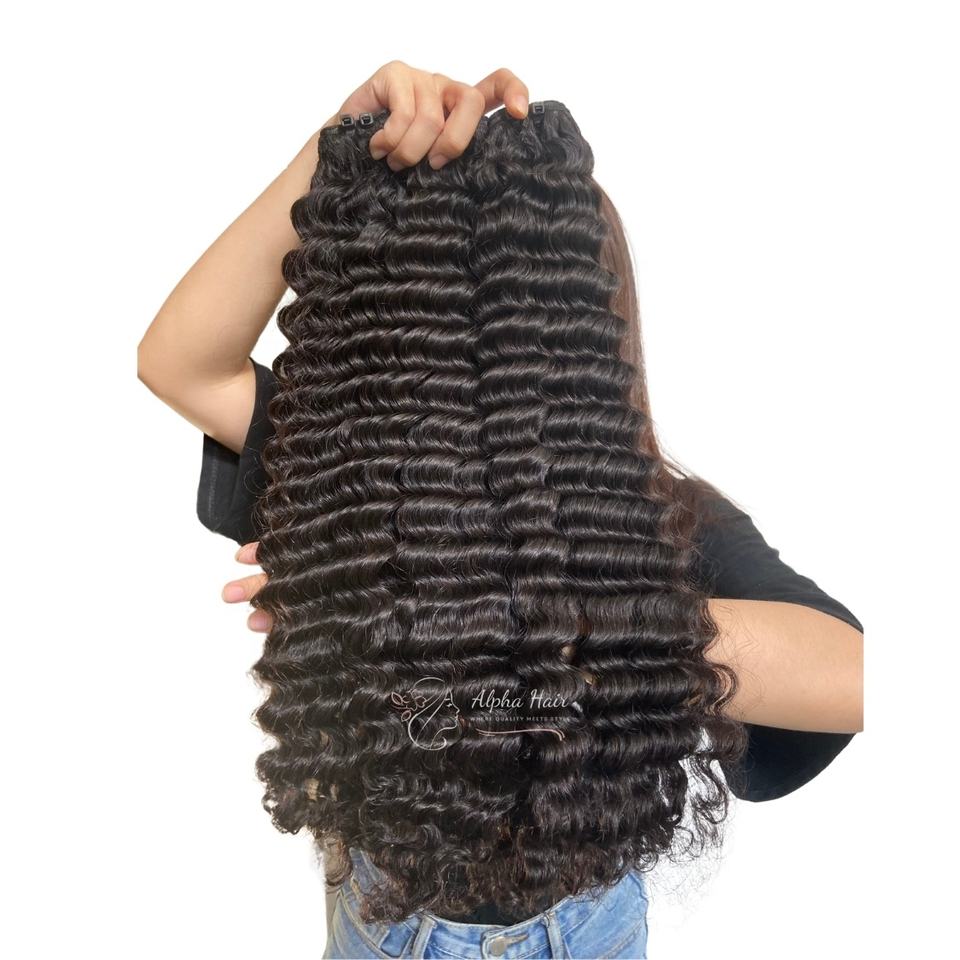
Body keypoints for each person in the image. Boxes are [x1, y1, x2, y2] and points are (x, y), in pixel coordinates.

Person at [138, 61, 863, 960]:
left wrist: (569, 625)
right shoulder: (351, 495)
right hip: (383, 927)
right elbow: (179, 362)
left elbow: (855, 677)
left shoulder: (657, 523)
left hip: (588, 933)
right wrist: (329, 158)